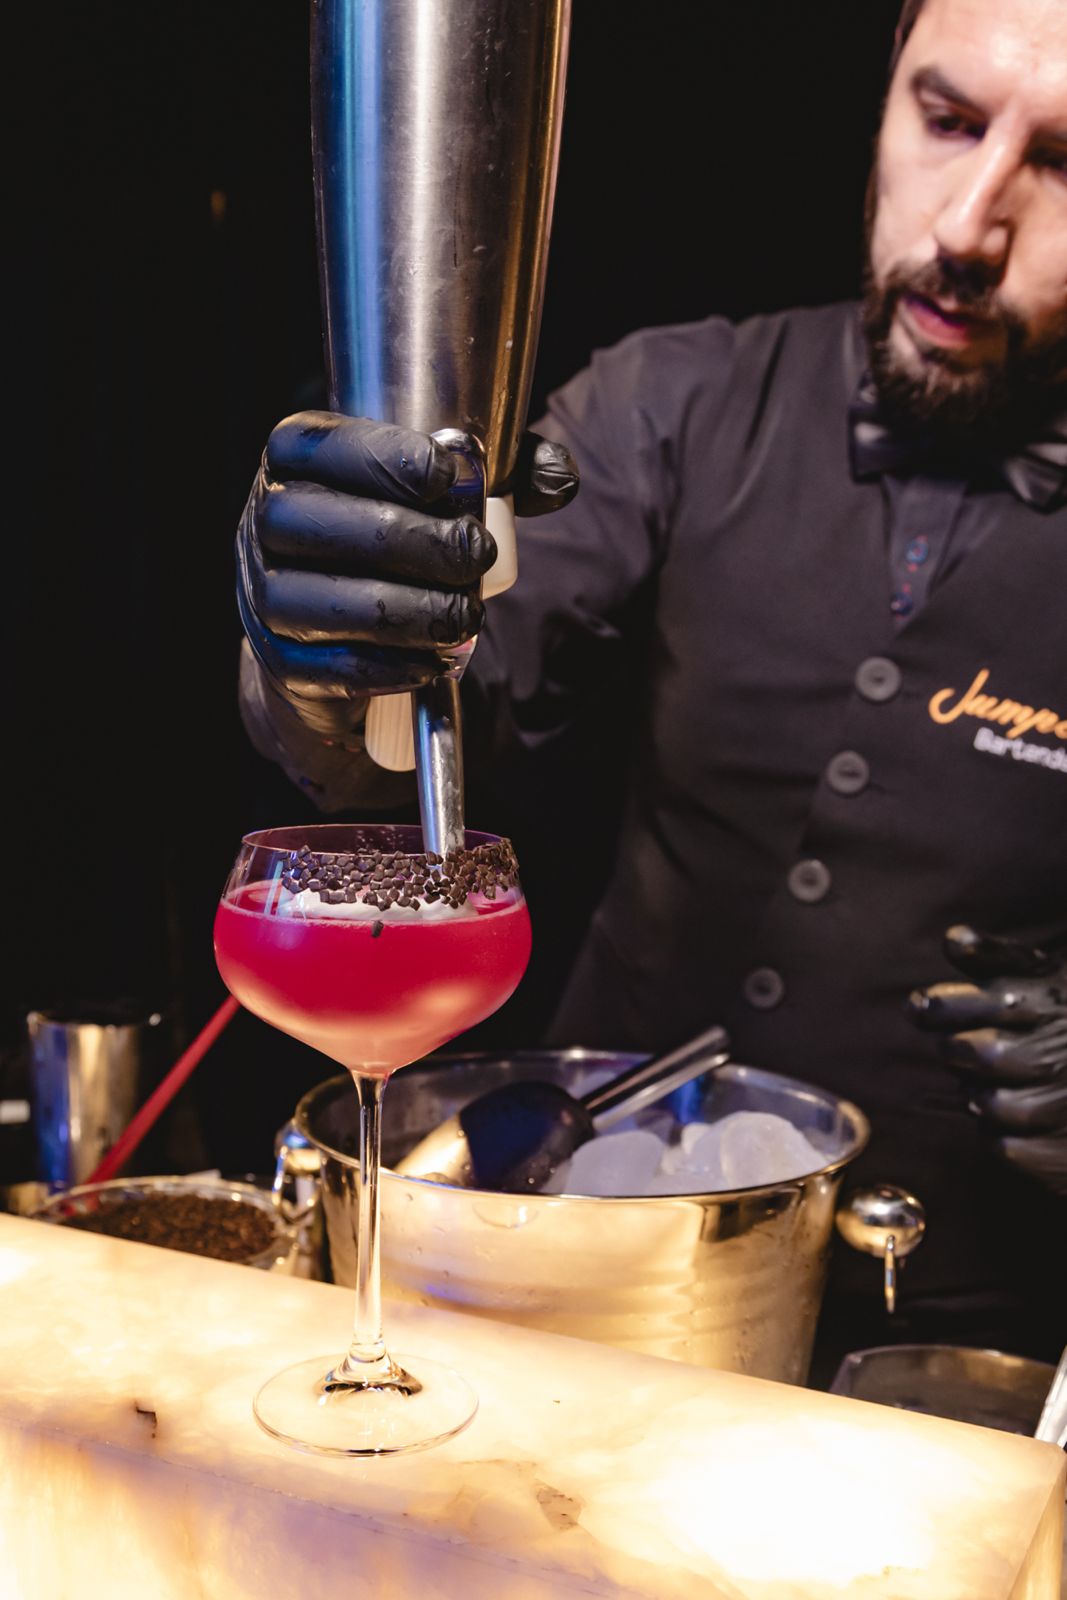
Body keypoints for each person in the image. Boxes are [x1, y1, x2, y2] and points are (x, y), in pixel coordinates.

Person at [234, 0, 1067, 1369]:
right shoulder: (674, 403)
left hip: (952, 1334)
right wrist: (317, 650)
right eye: (947, 118)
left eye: (1064, 162)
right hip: (589, 1265)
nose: (971, 226)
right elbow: (414, 718)